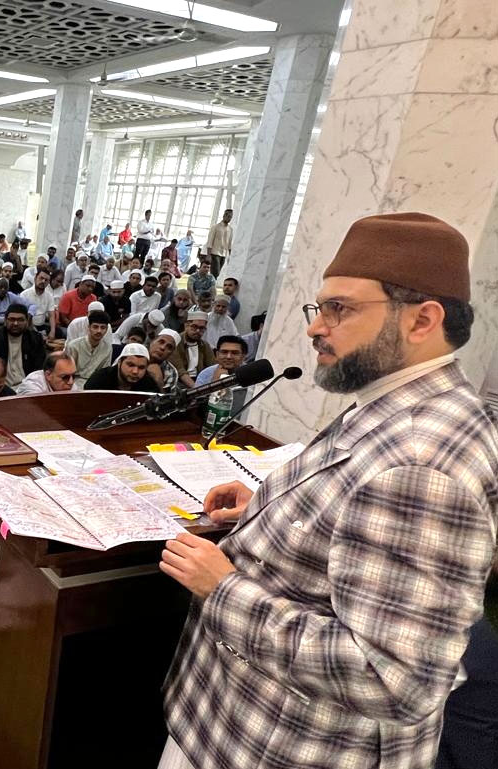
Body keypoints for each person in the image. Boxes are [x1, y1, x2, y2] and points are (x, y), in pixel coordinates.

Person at [159, 212, 498, 768]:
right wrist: (269, 511)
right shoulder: (402, 402)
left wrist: (222, 590)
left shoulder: (420, 465)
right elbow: (353, 515)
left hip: (285, 748)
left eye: (341, 308)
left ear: (422, 320)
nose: (316, 326)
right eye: (321, 307)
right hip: (245, 726)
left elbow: (393, 680)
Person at [0, 304, 46, 388]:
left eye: (20, 320)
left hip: (28, 386)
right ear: (5, 320)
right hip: (0, 386)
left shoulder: (35, 339)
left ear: (27, 321)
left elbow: (39, 369)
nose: (15, 323)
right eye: (12, 319)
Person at [64, 310, 112, 388]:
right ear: (89, 327)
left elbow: (104, 373)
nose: (99, 331)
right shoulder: (73, 346)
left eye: (103, 328)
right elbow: (67, 372)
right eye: (95, 327)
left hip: (95, 384)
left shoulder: (108, 348)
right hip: (74, 382)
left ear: (106, 329)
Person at [83, 343, 158, 392]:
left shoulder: (149, 385)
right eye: (130, 365)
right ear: (119, 362)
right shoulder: (100, 379)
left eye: (141, 367)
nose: (135, 371)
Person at [169, 310, 214, 388]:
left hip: (200, 381)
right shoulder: (176, 342)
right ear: (186, 325)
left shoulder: (204, 345)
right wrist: (197, 389)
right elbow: (180, 372)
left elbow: (213, 366)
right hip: (179, 382)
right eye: (194, 327)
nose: (198, 331)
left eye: (202, 328)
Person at [146, 328, 183, 393]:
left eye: (169, 347)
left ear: (171, 353)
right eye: (161, 342)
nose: (162, 348)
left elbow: (166, 400)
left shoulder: (170, 371)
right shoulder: (136, 355)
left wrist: (159, 381)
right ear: (152, 341)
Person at [202, 208, 233, 276]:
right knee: (215, 272)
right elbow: (210, 242)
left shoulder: (230, 229)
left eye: (230, 217)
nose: (229, 218)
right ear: (224, 215)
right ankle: (211, 285)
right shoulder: (215, 227)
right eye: (228, 216)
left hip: (223, 254)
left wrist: (231, 255)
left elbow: (229, 243)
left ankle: (210, 284)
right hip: (214, 253)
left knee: (217, 274)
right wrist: (208, 255)